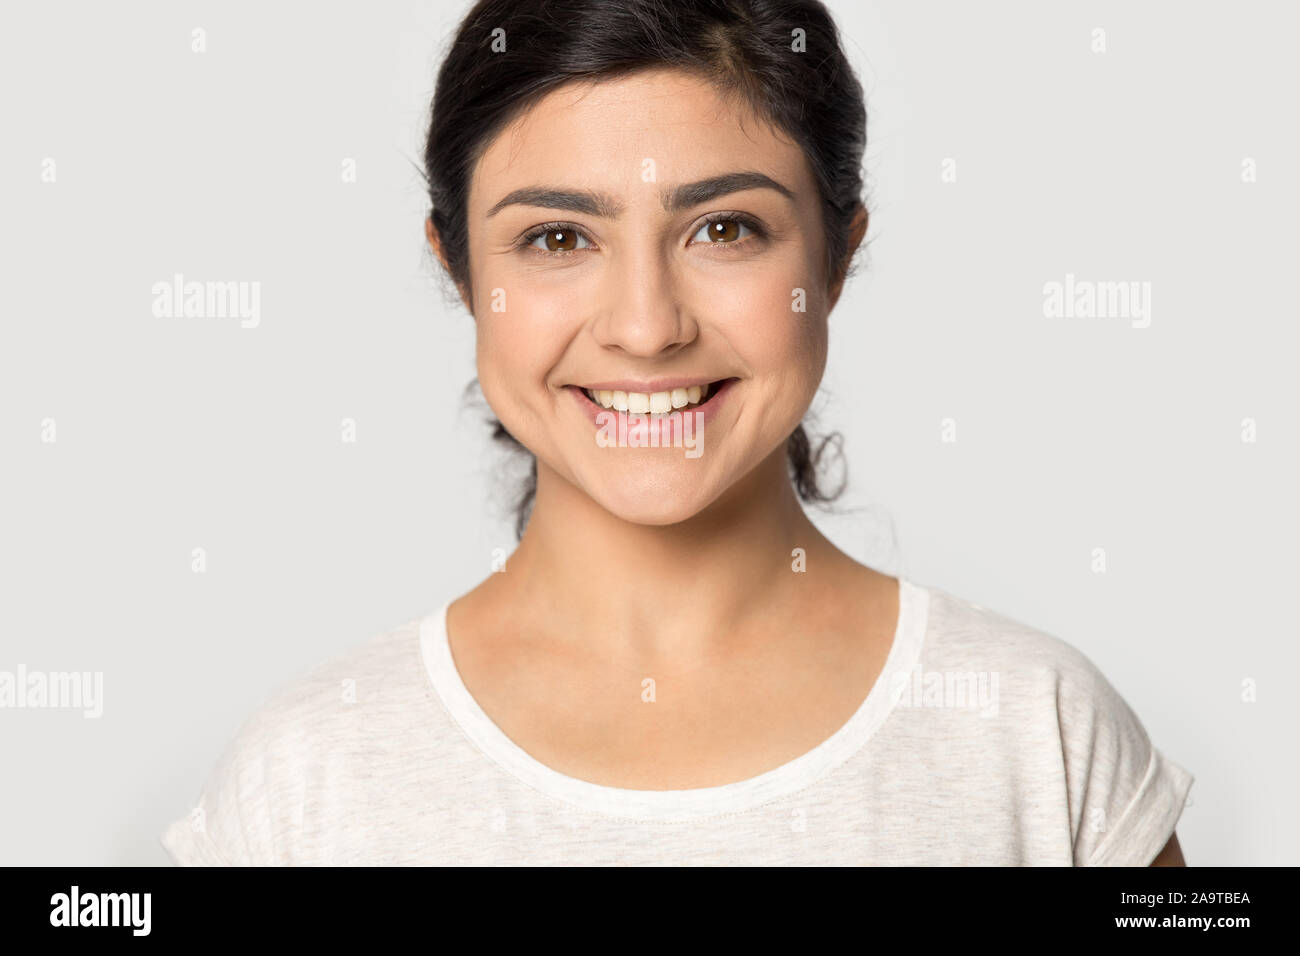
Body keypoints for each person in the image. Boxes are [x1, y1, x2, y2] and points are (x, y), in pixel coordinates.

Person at [161, 0, 1191, 866]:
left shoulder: (1040, 733)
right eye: (557, 238)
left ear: (834, 258)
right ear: (459, 270)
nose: (646, 325)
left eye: (724, 228)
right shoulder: (306, 776)